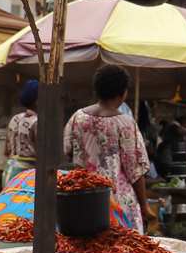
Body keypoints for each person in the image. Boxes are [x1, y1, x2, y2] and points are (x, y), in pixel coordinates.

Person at [65, 63, 152, 228]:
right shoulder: (125, 123)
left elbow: (65, 156)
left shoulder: (77, 118)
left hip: (81, 197)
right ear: (123, 93)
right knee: (122, 248)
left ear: (96, 90)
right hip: (117, 202)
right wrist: (144, 205)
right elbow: (135, 171)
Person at [4, 77, 41, 182]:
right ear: (37, 102)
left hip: (9, 171)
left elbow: (6, 151)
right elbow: (42, 154)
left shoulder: (14, 119)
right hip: (26, 175)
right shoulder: (37, 122)